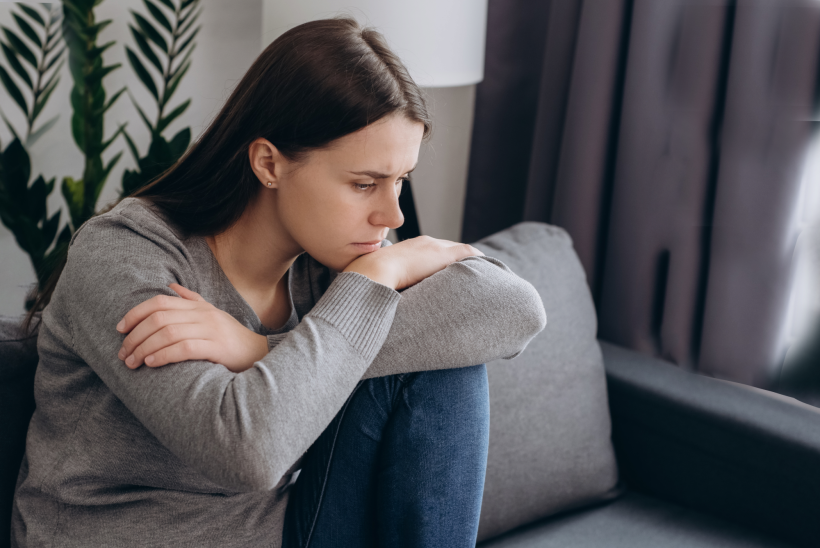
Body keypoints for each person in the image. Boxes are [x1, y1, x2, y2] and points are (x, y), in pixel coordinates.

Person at [10, 17, 546, 548]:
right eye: (364, 184)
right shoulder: (127, 255)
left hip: (289, 534)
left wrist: (259, 348)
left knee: (445, 366)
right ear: (269, 162)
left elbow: (515, 310)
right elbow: (248, 454)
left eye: (400, 181)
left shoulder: (335, 257)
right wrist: (377, 276)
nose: (393, 215)